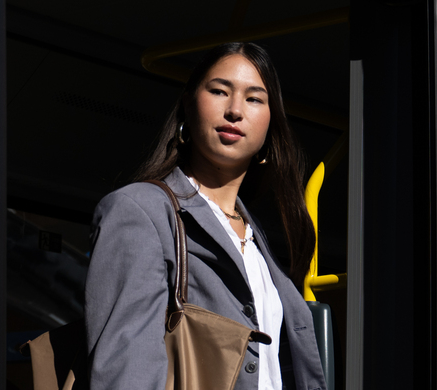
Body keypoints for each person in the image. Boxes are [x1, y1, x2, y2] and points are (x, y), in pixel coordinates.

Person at [83, 42, 325, 390]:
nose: (235, 110)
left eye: (254, 98)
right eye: (219, 91)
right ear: (188, 104)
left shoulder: (254, 238)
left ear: (271, 124)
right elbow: (125, 372)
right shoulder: (140, 211)